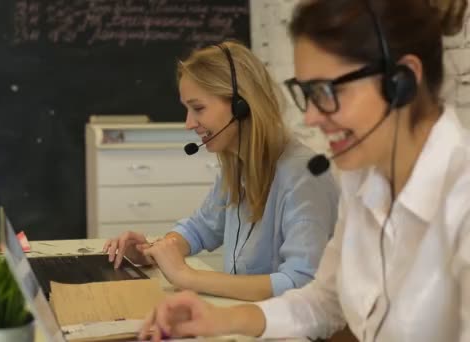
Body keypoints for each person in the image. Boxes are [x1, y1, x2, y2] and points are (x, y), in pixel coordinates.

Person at [138, 0, 470, 341]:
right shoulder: (364, 181)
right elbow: (322, 303)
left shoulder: (462, 201)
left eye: (326, 91)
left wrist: (191, 278)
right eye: (306, 93)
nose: (310, 117)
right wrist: (217, 320)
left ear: (402, 82)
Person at [102, 41, 339, 302]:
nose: (189, 124)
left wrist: (185, 276)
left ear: (241, 105)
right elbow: (201, 227)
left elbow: (300, 283)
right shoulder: (237, 166)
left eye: (198, 108)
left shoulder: (304, 176)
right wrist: (152, 250)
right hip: (249, 319)